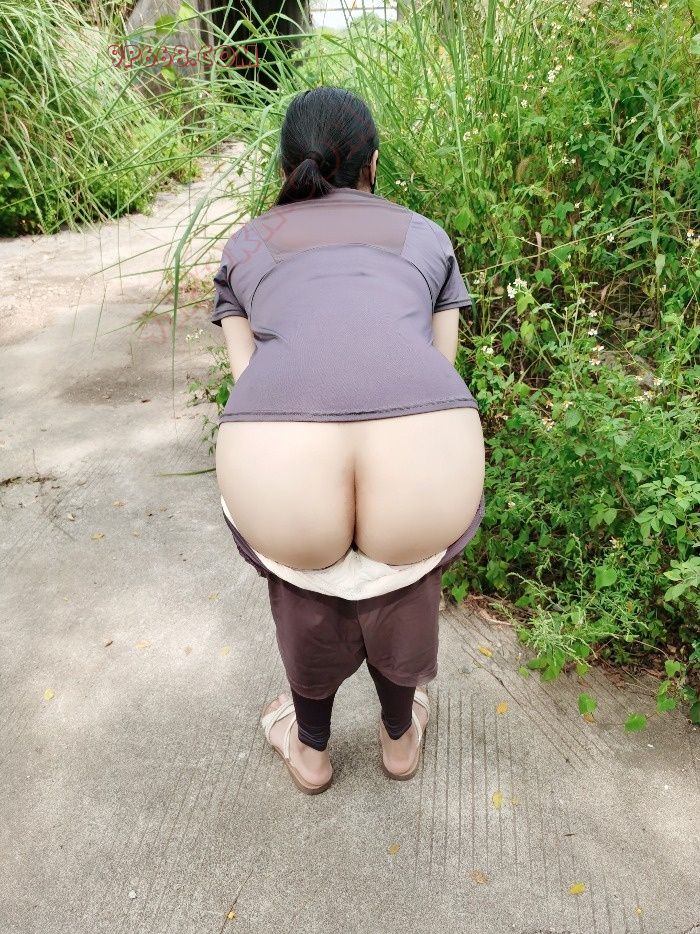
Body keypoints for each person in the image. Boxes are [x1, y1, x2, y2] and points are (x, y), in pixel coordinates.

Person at [212, 86, 486, 795]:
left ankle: (310, 751)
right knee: (406, 572)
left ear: (286, 166)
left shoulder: (247, 243)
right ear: (373, 164)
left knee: (302, 576)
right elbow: (440, 366)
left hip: (283, 463)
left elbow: (249, 380)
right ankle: (400, 738)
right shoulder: (425, 235)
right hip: (423, 459)